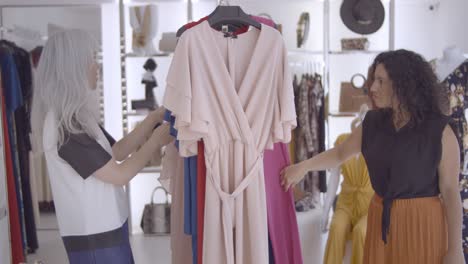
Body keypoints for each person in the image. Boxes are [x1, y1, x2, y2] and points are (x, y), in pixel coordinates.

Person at [281, 49, 465, 264]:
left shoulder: (440, 130)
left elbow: (451, 192)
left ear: (403, 84)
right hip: (380, 221)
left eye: (380, 81)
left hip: (422, 224)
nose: (372, 87)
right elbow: (341, 153)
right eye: (373, 79)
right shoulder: (373, 122)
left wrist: (455, 250)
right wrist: (303, 166)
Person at [31, 29, 173, 264]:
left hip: (107, 228)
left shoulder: (77, 116)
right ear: (73, 69)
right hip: (94, 237)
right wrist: (157, 140)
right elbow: (119, 174)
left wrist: (151, 120)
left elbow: (116, 151)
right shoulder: (65, 127)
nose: (97, 67)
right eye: (91, 60)